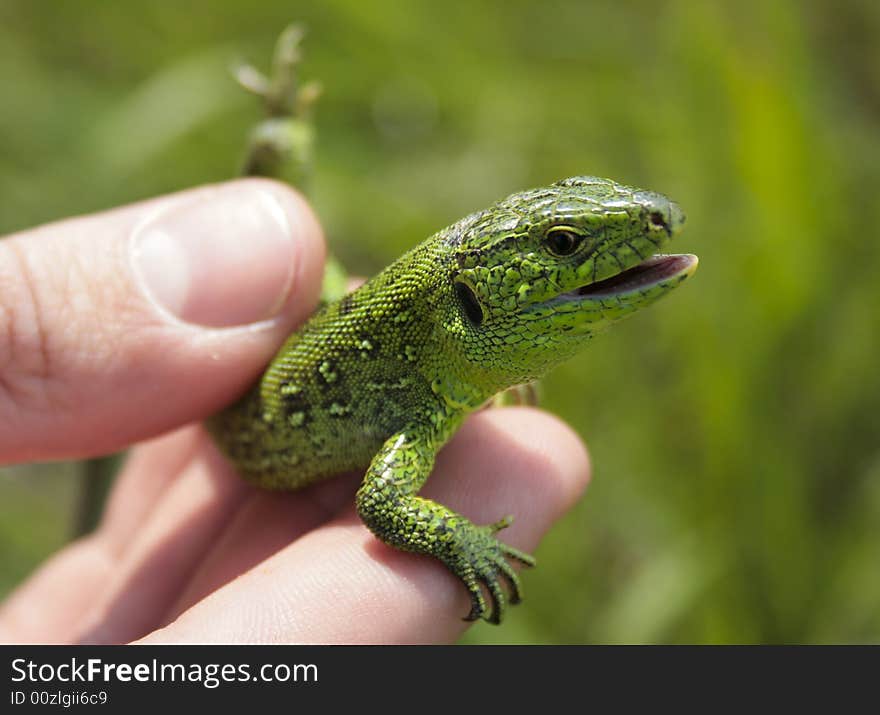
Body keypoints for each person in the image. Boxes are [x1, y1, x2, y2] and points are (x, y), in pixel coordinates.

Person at [0, 180, 590, 644]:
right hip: (237, 423)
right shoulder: (422, 412)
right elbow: (383, 503)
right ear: (467, 302)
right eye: (564, 244)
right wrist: (462, 542)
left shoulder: (435, 375)